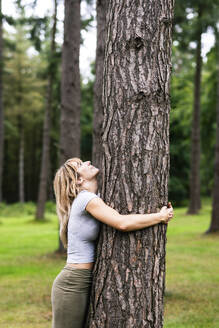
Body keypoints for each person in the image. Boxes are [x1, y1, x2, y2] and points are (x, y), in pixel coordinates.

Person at [51, 157, 174, 328]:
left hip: (82, 280)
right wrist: (159, 217)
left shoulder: (95, 198)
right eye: (80, 165)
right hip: (72, 283)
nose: (87, 162)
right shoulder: (86, 199)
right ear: (79, 179)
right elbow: (122, 223)